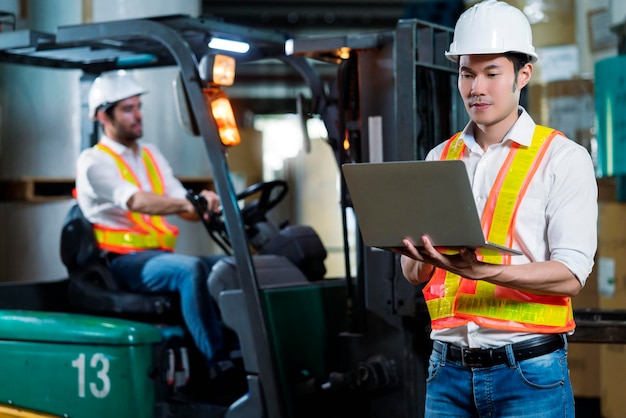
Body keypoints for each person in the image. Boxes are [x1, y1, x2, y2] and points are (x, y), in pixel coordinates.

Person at [395, 1, 598, 416]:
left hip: (528, 372)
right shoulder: (439, 157)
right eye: (467, 73)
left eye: (491, 73)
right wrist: (413, 253)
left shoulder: (562, 157)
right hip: (446, 369)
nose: (476, 88)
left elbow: (571, 273)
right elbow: (415, 276)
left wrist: (484, 271)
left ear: (523, 74)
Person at [75, 70, 226, 368]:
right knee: (190, 270)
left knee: (225, 266)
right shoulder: (94, 162)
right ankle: (216, 363)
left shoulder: (151, 155)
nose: (138, 115)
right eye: (128, 109)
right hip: (119, 263)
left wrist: (204, 205)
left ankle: (242, 349)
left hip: (156, 258)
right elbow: (136, 200)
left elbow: (184, 208)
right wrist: (191, 202)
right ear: (104, 116)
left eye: (138, 107)